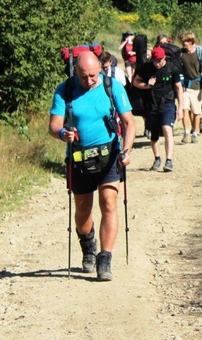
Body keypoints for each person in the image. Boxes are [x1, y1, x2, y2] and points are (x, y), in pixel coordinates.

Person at [49, 51, 135, 281]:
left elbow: (129, 123)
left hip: (110, 154)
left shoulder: (112, 86)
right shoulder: (64, 90)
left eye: (93, 75)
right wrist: (62, 133)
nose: (89, 80)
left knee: (108, 203)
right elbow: (54, 125)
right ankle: (88, 248)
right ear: (75, 71)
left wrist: (126, 151)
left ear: (100, 68)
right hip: (79, 158)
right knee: (83, 210)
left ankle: (105, 258)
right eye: (84, 76)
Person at [132, 45, 183, 172]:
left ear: (164, 57)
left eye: (159, 60)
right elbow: (135, 82)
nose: (157, 64)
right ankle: (157, 158)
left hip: (168, 103)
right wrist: (147, 85)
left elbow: (178, 88)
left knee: (167, 128)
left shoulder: (172, 68)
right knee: (154, 134)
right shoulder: (146, 68)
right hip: (152, 104)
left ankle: (169, 161)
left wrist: (181, 108)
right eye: (154, 61)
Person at [178, 32, 202, 144]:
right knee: (185, 109)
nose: (182, 44)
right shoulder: (181, 53)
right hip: (184, 86)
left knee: (196, 112)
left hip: (197, 87)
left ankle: (195, 133)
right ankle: (186, 132)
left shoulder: (201, 53)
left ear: (190, 42)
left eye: (184, 42)